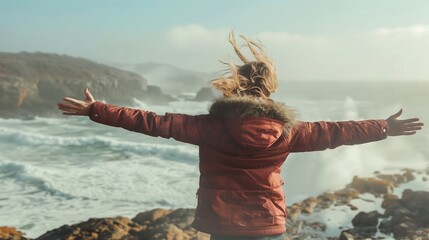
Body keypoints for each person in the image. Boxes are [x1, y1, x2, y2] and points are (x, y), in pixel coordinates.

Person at [57, 32, 424, 240]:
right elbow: (336, 132)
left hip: (221, 223)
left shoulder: (209, 126)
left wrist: (97, 110)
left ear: (234, 87)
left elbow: (153, 122)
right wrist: (384, 127)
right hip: (269, 223)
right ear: (271, 87)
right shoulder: (290, 132)